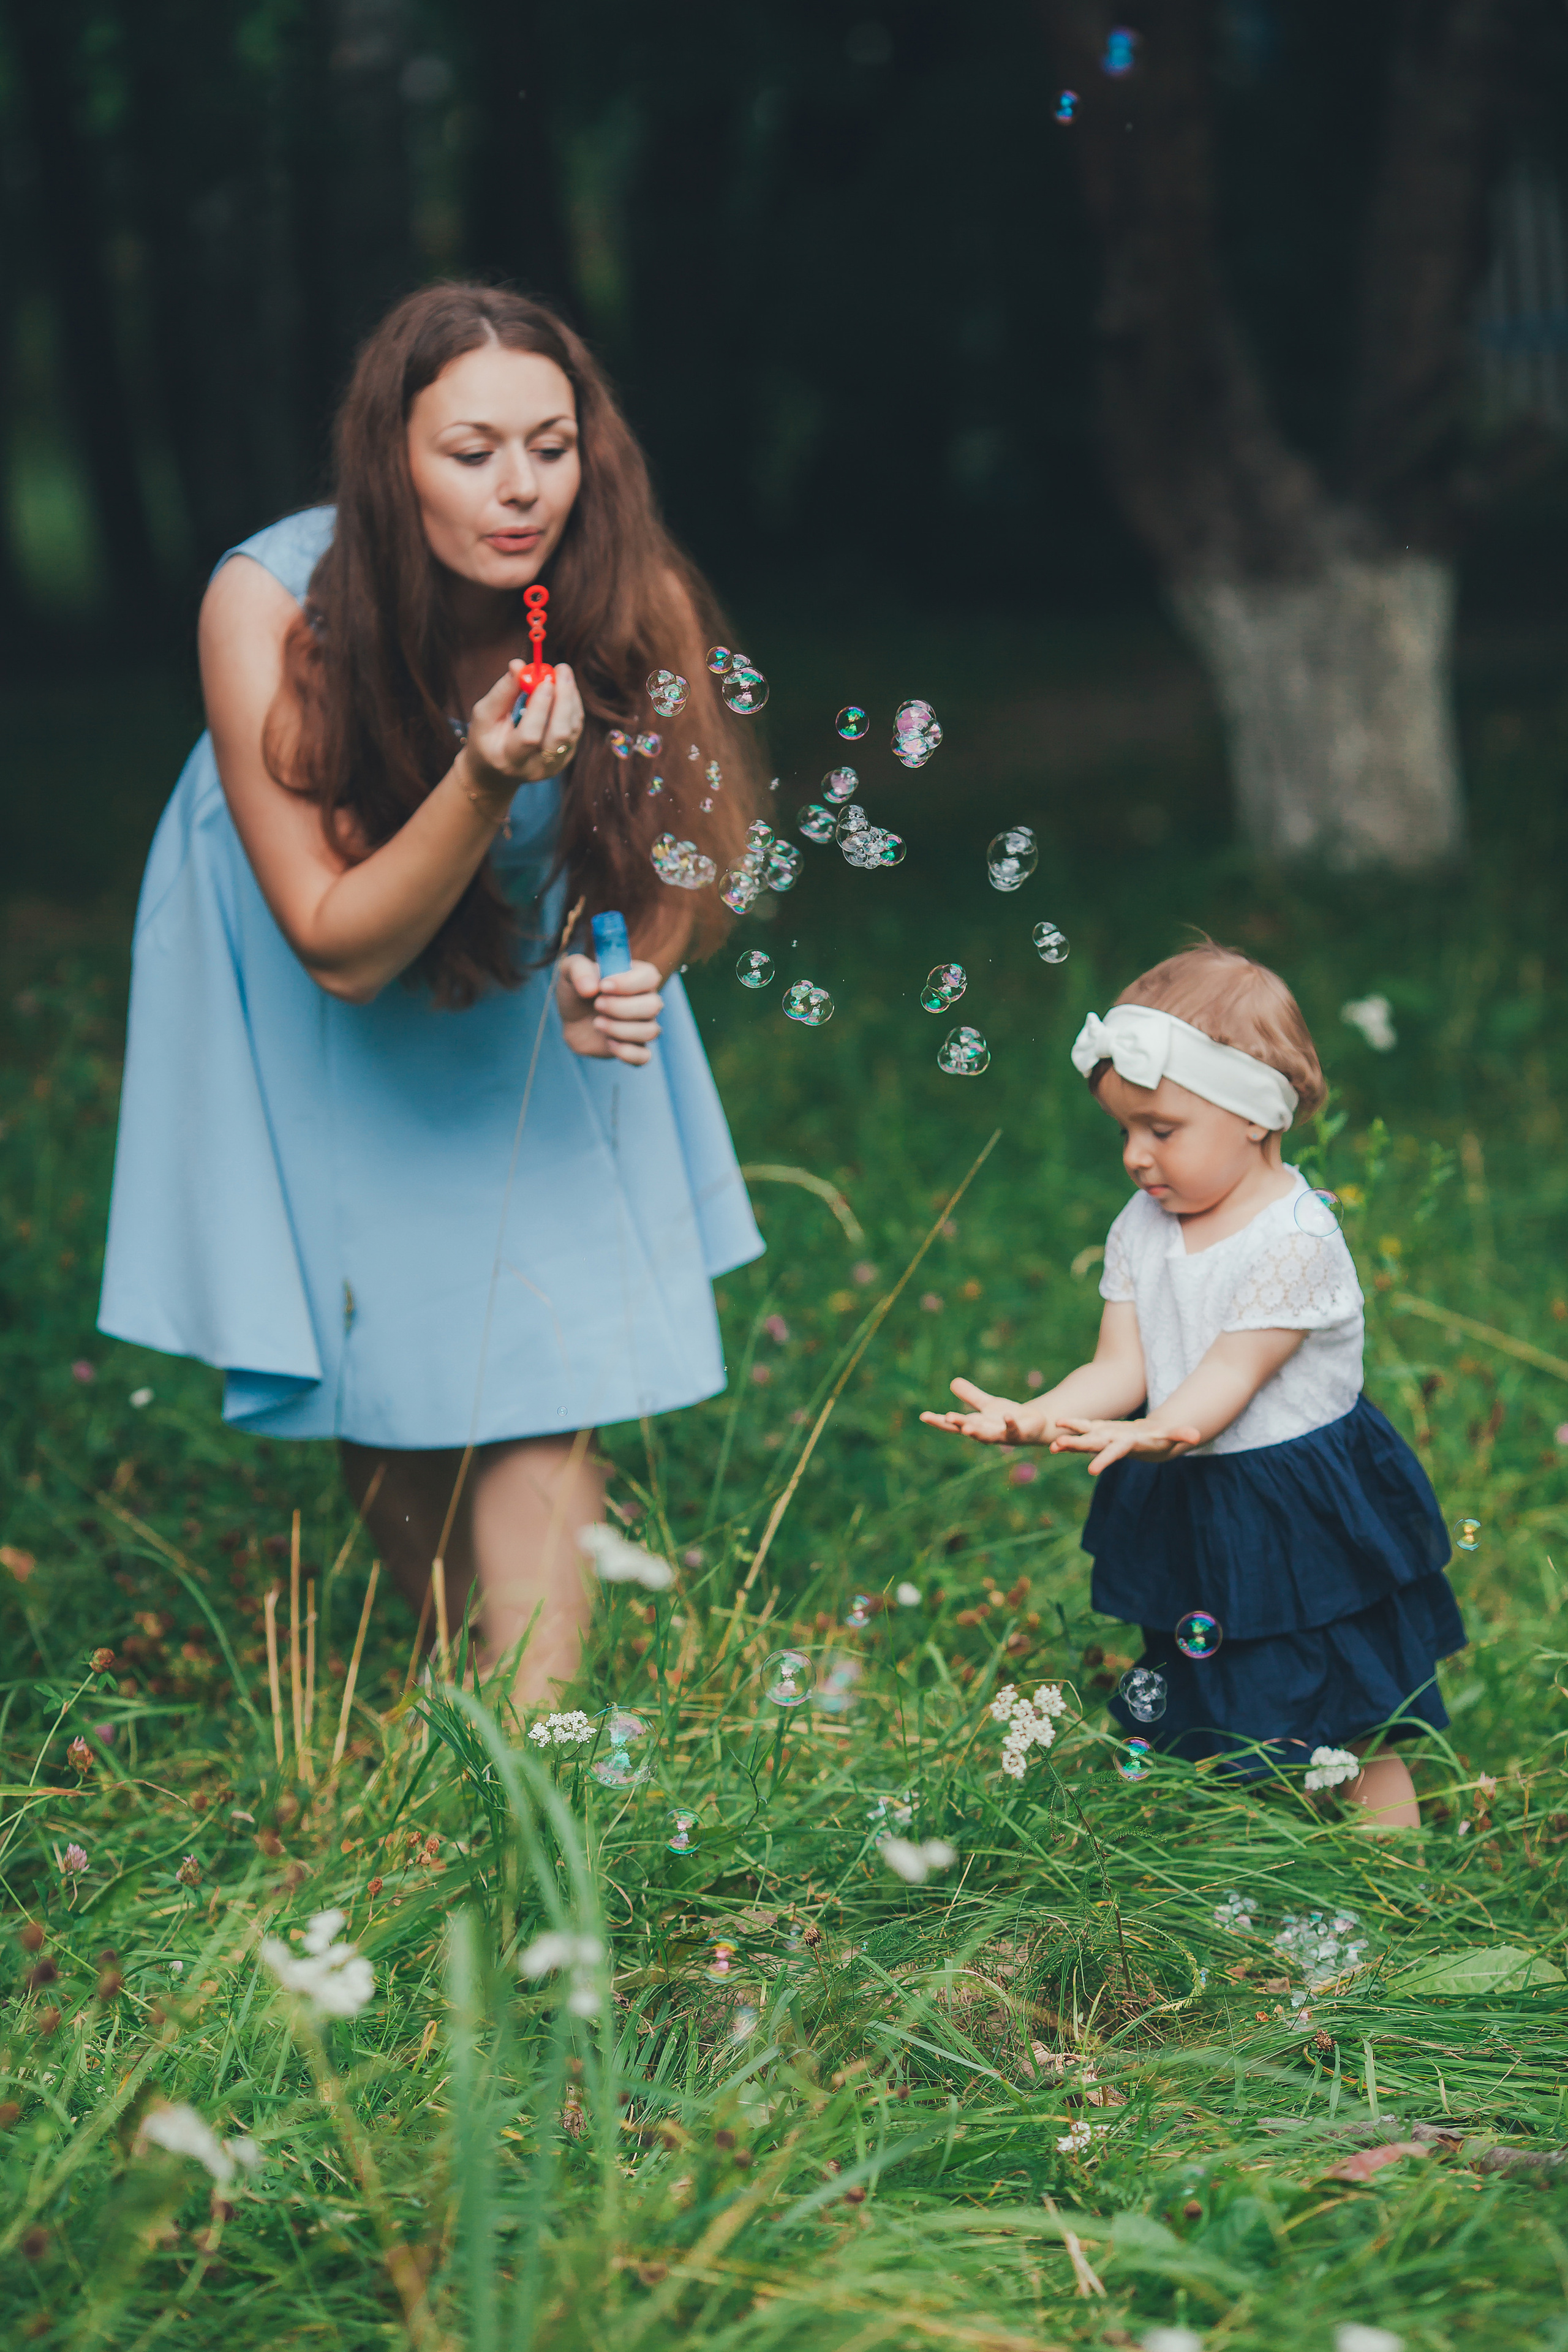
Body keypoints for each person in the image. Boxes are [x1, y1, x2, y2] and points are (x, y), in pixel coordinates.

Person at [99, 283, 766, 1702]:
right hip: (315, 953)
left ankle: (541, 1745)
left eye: (552, 443)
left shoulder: (623, 590)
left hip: (520, 954)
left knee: (545, 1357)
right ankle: (467, 1673)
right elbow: (337, 943)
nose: (521, 489)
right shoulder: (268, 604)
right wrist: (481, 779)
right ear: (389, 461)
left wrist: (622, 968)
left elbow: (673, 839)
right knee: (386, 1342)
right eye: (471, 453)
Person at [921, 942, 1467, 1830]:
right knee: (1219, 1694)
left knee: (1352, 1711)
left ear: (1253, 1116)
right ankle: (1255, 1849)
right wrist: (1036, 1417)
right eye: (1125, 1132)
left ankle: (1393, 1888)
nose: (1137, 1157)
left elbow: (1230, 1376)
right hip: (1194, 1493)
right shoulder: (1143, 1225)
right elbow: (1119, 1367)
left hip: (1299, 1507)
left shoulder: (1295, 1237)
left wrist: (1156, 1430)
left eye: (1162, 1130)